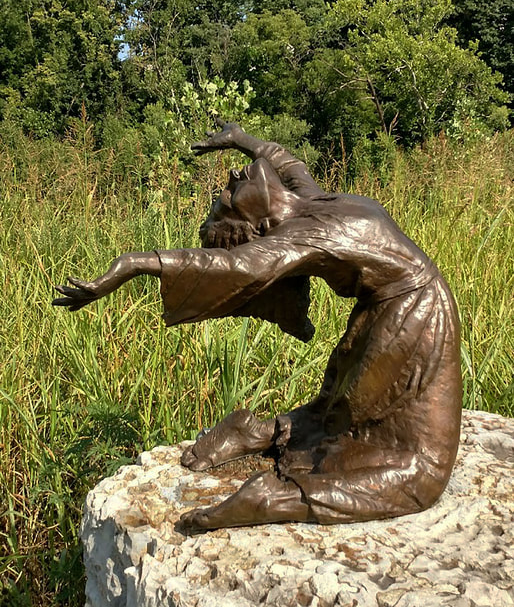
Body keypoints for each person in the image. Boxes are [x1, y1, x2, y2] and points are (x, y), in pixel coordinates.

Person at [53, 121, 462, 534]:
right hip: (412, 315)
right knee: (420, 472)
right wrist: (131, 265)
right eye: (230, 198)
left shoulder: (310, 199)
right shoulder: (300, 234)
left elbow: (286, 162)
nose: (232, 178)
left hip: (395, 309)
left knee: (345, 416)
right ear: (261, 226)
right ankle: (268, 498)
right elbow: (235, 265)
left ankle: (258, 432)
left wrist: (238, 138)